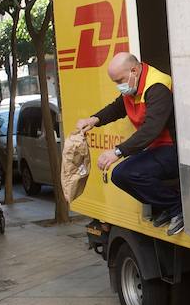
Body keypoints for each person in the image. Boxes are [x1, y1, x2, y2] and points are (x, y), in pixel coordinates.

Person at [75, 53, 183, 235]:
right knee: (120, 175)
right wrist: (93, 120)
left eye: (120, 80)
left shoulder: (157, 87)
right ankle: (168, 206)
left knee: (128, 173)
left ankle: (177, 207)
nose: (119, 86)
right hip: (157, 148)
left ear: (134, 70)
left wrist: (117, 152)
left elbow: (151, 130)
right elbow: (118, 107)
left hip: (175, 149)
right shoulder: (134, 84)